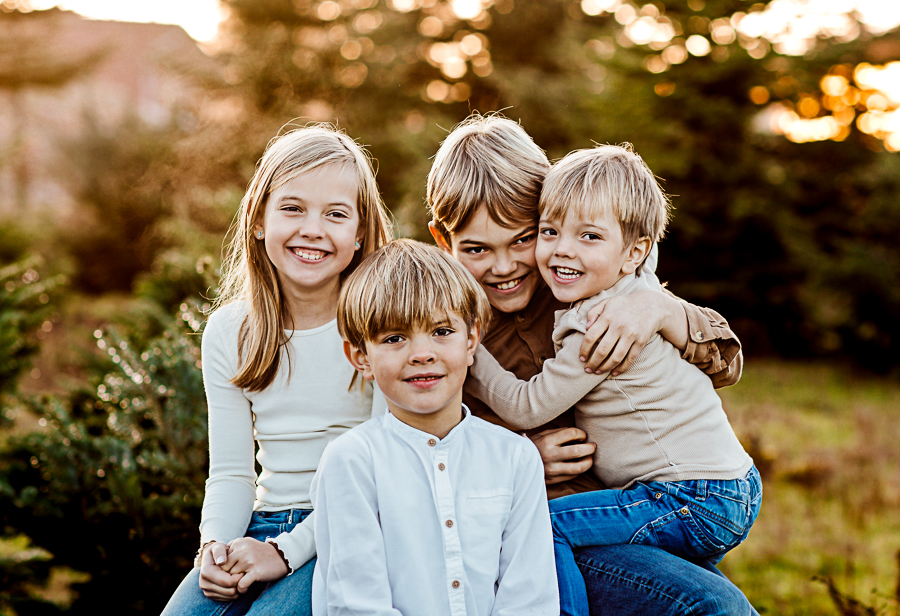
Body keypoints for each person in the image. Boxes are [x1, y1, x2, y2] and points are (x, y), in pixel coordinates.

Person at [427, 113, 760, 615]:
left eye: (523, 238)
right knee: (711, 606)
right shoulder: (434, 320)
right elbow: (408, 454)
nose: (504, 266)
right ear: (443, 240)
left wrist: (662, 310)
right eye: (477, 249)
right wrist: (518, 462)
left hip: (633, 506)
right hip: (521, 530)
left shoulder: (589, 287)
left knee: (721, 605)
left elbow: (725, 366)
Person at [161, 124, 393, 616]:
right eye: (292, 208)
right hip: (258, 524)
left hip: (349, 526)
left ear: (360, 235)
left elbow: (380, 474)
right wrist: (215, 548)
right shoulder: (230, 331)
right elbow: (230, 474)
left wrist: (286, 552)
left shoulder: (383, 323)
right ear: (259, 219)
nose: (312, 228)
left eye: (335, 214)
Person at [311, 239, 559, 616]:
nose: (422, 353)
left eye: (442, 331)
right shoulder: (352, 461)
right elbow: (356, 603)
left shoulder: (515, 457)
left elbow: (529, 599)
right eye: (395, 338)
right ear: (360, 357)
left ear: (472, 340)